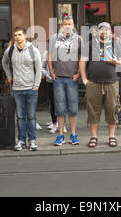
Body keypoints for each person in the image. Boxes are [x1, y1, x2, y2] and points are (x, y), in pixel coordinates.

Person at [79, 22, 121, 148]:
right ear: (97, 31)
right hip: (93, 83)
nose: (104, 32)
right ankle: (94, 137)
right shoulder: (89, 45)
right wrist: (84, 79)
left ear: (110, 32)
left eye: (106, 30)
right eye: (102, 29)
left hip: (112, 83)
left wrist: (116, 61)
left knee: (112, 109)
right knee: (93, 111)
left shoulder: (115, 44)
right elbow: (82, 62)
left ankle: (112, 136)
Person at [2, 27, 42, 151]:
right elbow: (4, 63)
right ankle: (21, 140)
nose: (17, 37)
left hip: (31, 88)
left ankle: (32, 140)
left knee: (31, 115)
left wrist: (36, 85)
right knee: (20, 116)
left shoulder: (33, 50)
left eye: (20, 34)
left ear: (25, 36)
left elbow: (39, 69)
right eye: (15, 35)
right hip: (17, 89)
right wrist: (9, 76)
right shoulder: (10, 50)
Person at [48, 15, 82, 146]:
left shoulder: (78, 39)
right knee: (60, 108)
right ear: (61, 26)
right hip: (58, 79)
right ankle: (61, 135)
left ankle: (73, 134)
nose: (67, 26)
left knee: (73, 108)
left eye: (70, 24)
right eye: (65, 23)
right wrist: (51, 72)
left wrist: (79, 73)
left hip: (72, 78)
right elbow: (50, 56)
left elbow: (81, 57)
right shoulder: (54, 38)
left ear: (73, 26)